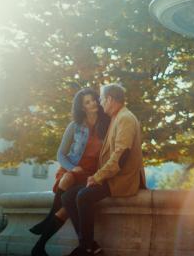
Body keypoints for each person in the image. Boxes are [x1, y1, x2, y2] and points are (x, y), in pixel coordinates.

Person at [62, 83, 146, 256]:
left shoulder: (125, 119)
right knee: (68, 196)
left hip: (122, 180)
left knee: (84, 196)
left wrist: (98, 177)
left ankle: (85, 248)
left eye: (100, 99)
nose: (99, 103)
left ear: (109, 99)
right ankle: (90, 245)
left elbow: (120, 156)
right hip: (112, 177)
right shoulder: (117, 117)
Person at [31, 88, 110, 256]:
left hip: (89, 174)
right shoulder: (75, 126)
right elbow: (61, 154)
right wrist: (72, 167)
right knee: (66, 178)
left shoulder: (106, 125)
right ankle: (50, 224)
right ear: (82, 108)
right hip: (72, 168)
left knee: (65, 210)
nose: (93, 103)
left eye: (94, 99)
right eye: (87, 102)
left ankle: (39, 246)